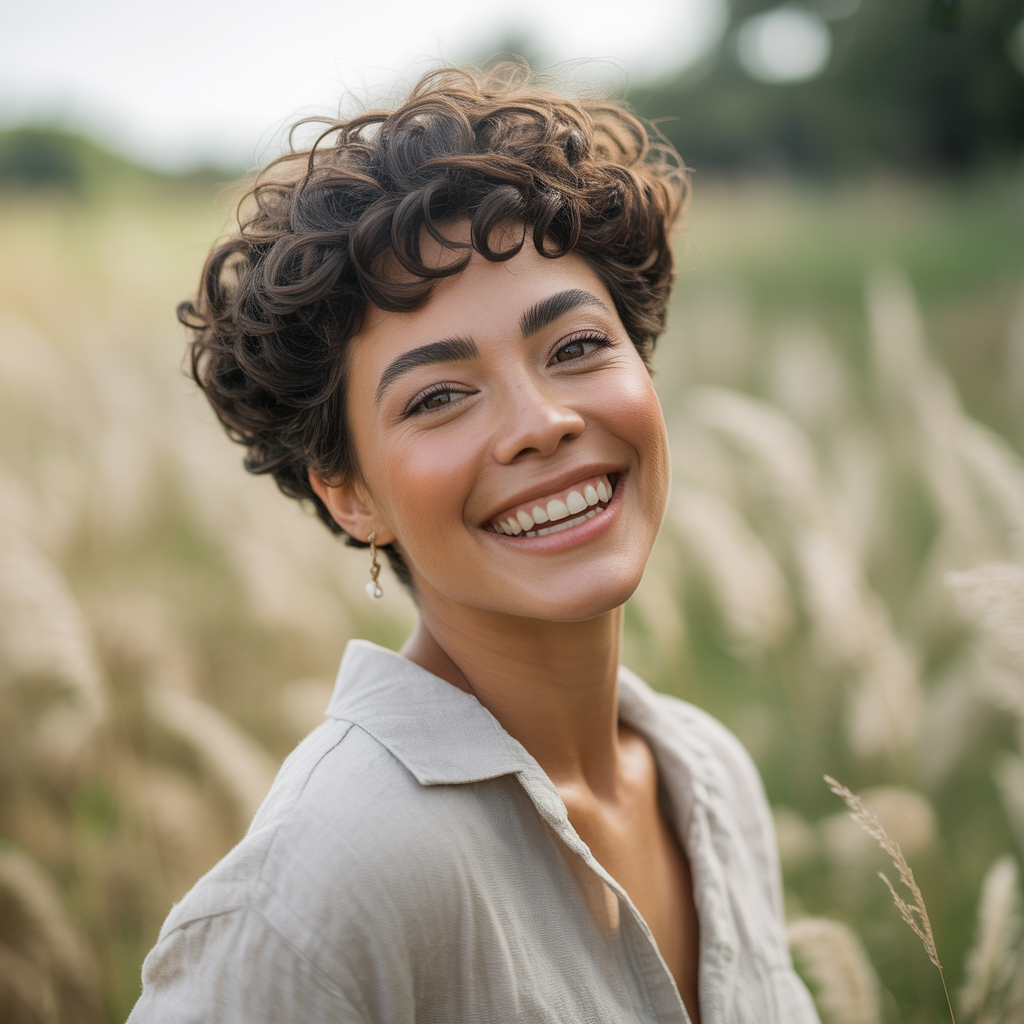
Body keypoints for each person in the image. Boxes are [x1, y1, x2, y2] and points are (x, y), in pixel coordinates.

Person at [128, 62, 820, 1023]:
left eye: (576, 347)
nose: (540, 423)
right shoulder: (324, 883)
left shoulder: (708, 778)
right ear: (349, 493)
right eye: (439, 396)